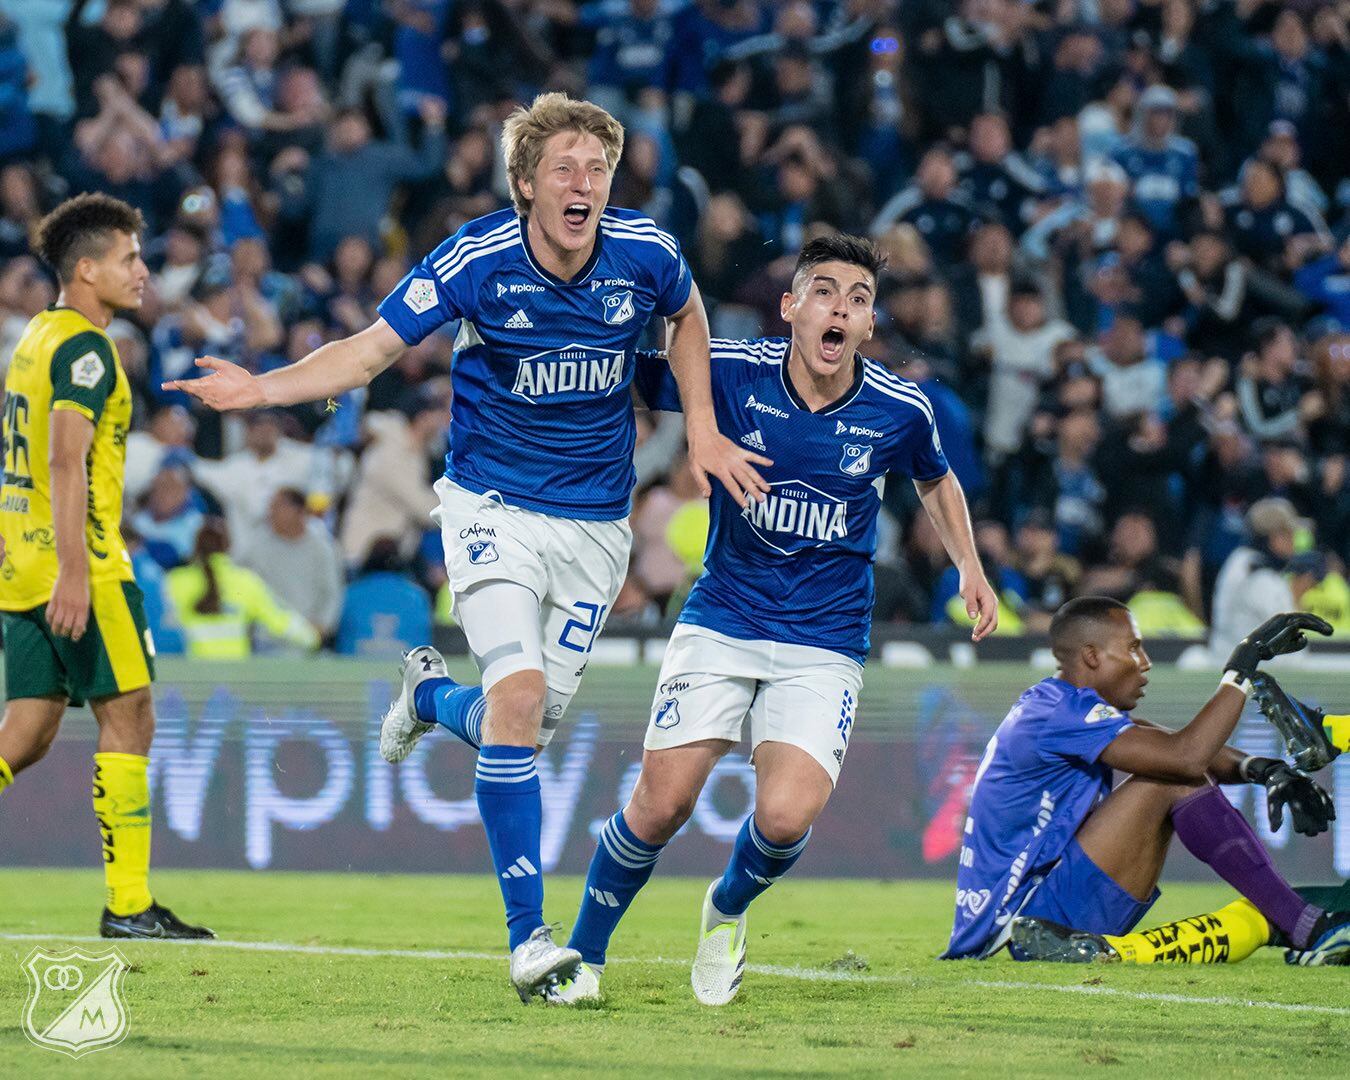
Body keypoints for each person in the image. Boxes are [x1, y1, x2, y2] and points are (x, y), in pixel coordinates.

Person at [163, 93, 763, 1001]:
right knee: (518, 701)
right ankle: (530, 943)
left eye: (597, 168)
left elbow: (688, 318)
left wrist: (706, 430)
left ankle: (430, 697)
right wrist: (262, 390)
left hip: (597, 528)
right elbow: (369, 351)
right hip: (491, 510)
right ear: (525, 183)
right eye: (564, 167)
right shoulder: (477, 259)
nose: (584, 183)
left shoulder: (646, 251)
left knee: (522, 724)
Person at [552, 235, 999, 1004]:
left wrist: (969, 564)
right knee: (661, 804)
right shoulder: (732, 371)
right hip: (723, 618)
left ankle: (725, 907)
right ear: (791, 307)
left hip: (825, 639)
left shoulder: (899, 408)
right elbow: (632, 374)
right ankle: (582, 959)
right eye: (824, 292)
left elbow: (936, 478)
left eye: (858, 300)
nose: (841, 310)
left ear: (868, 325)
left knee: (786, 818)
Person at [0, 193, 212, 939]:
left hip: (21, 564)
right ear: (86, 270)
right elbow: (66, 459)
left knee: (27, 731)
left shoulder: (36, 336)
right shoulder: (86, 350)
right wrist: (73, 572)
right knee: (131, 716)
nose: (142, 271)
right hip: (79, 564)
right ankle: (128, 906)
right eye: (129, 258)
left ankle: (130, 905)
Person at [944, 597, 1350, 966]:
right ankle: (1306, 927)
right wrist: (1244, 664)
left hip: (1030, 915)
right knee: (1171, 780)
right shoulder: (1061, 712)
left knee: (1171, 769)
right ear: (1092, 656)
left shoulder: (1057, 708)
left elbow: (1169, 745)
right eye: (1133, 648)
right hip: (1026, 927)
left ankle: (1301, 923)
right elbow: (1186, 758)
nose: (1145, 662)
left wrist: (1265, 769)